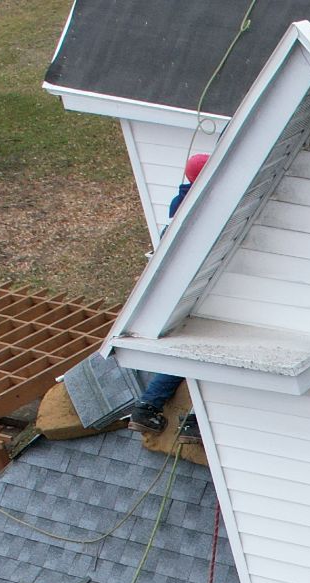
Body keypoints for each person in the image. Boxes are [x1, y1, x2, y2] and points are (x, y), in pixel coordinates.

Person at [130, 152, 212, 431]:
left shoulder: (181, 203)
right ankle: (196, 419)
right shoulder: (200, 207)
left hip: (176, 293)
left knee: (184, 350)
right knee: (204, 350)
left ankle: (148, 407)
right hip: (195, 293)